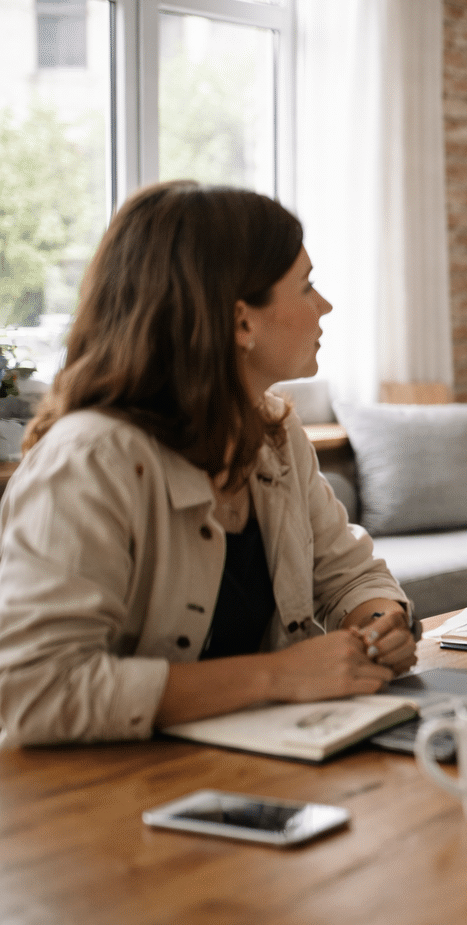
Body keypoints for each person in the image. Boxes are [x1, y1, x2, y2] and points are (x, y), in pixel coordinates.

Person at [0, 181, 418, 746]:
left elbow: (350, 573)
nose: (325, 305)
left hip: (261, 768)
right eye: (307, 286)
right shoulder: (89, 461)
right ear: (242, 323)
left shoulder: (273, 431)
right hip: (108, 802)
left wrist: (378, 624)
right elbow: (37, 691)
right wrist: (277, 676)